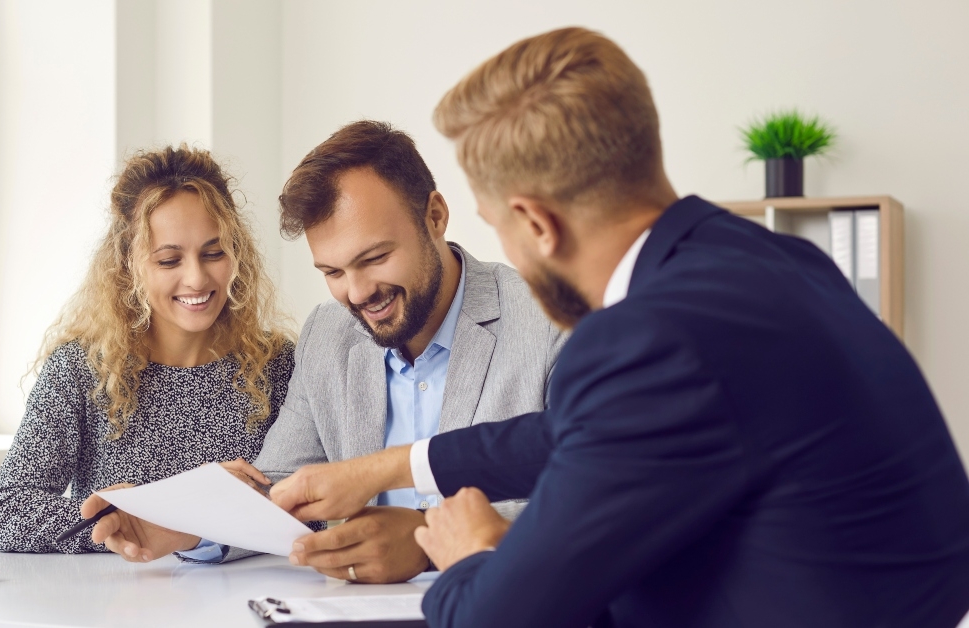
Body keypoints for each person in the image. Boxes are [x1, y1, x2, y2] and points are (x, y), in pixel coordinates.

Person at [270, 28, 969, 628]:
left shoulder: (647, 338)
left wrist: (476, 554)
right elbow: (576, 436)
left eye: (497, 225)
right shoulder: (774, 258)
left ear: (537, 223)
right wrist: (395, 467)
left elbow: (497, 615)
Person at [86, 120, 566, 583]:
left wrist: (425, 544)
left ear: (435, 216)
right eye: (332, 272)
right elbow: (278, 486)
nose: (357, 294)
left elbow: (597, 494)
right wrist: (186, 523)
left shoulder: (549, 316)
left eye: (375, 258)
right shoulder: (329, 333)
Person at [0, 145, 295, 557]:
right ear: (128, 265)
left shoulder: (275, 364)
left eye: (214, 253)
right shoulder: (81, 368)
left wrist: (175, 512)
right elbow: (9, 513)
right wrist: (169, 508)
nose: (197, 278)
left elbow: (307, 517)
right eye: (169, 260)